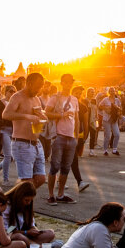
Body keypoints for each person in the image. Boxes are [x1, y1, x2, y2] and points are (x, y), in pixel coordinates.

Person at [2, 71, 49, 188]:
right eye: (38, 86)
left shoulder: (36, 99)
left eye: (41, 86)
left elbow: (38, 113)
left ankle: (17, 197)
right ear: (29, 83)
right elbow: (6, 114)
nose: (39, 89)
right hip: (22, 143)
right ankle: (19, 201)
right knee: (26, 182)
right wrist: (26, 116)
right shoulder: (17, 97)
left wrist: (42, 116)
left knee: (40, 178)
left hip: (36, 143)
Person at [46, 73, 81, 204]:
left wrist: (76, 137)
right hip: (58, 136)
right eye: (66, 82)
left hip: (71, 137)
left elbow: (77, 120)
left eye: (71, 82)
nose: (69, 84)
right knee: (54, 166)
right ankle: (51, 195)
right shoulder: (55, 97)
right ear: (62, 83)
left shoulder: (74, 99)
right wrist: (61, 114)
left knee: (66, 167)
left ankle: (60, 194)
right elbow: (46, 113)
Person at [3, 180, 57, 247]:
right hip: (11, 236)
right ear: (19, 197)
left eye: (31, 200)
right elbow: (7, 231)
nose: (28, 203)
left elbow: (31, 224)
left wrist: (35, 231)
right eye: (26, 200)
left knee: (50, 233)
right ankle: (40, 247)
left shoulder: (27, 206)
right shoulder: (7, 206)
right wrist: (26, 232)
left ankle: (31, 245)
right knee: (19, 236)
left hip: (25, 235)